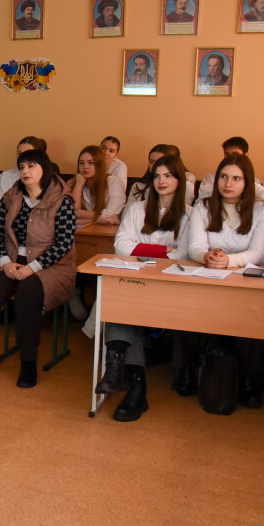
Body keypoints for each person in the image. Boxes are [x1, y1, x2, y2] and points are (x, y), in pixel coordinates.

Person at [0, 149, 77, 389]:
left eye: (31, 166)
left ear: (45, 170)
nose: (25, 171)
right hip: (12, 262)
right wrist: (4, 262)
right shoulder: (11, 196)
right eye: (22, 166)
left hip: (51, 267)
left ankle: (28, 362)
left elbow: (64, 243)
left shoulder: (63, 200)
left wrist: (32, 267)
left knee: (27, 295)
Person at [96, 155, 192, 421]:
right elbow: (120, 245)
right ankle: (131, 381)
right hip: (137, 279)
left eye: (168, 176)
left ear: (179, 180)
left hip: (172, 285)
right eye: (157, 175)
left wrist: (144, 252)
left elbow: (184, 253)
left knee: (128, 304)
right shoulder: (137, 208)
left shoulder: (189, 213)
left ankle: (122, 373)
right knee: (118, 302)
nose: (161, 181)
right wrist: (163, 251)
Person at [182, 154, 264, 407]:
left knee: (253, 320)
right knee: (183, 306)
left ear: (247, 182)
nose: (228, 183)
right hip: (209, 275)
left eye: (236, 178)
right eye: (224, 177)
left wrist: (229, 261)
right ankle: (190, 370)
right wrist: (208, 256)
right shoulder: (204, 206)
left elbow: (260, 252)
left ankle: (248, 380)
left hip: (246, 280)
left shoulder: (263, 210)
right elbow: (194, 246)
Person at [195, 137, 264, 203]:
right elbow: (201, 201)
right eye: (227, 154)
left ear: (245, 155)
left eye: (235, 153)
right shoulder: (211, 177)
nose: (230, 157)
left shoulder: (254, 183)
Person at [70, 145, 125, 225]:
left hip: (109, 232)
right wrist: (78, 186)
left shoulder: (115, 182)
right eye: (81, 163)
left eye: (91, 163)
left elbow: (109, 214)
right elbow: (71, 213)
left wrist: (81, 215)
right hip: (84, 232)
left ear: (99, 164)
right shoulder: (74, 182)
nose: (85, 167)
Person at [129, 143, 197, 206]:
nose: (155, 165)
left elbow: (183, 212)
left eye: (159, 161)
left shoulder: (186, 185)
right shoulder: (138, 186)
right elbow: (127, 214)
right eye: (151, 161)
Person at [0, 136, 48, 210]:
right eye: (19, 153)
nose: (22, 157)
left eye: (28, 153)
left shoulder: (52, 180)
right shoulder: (6, 176)